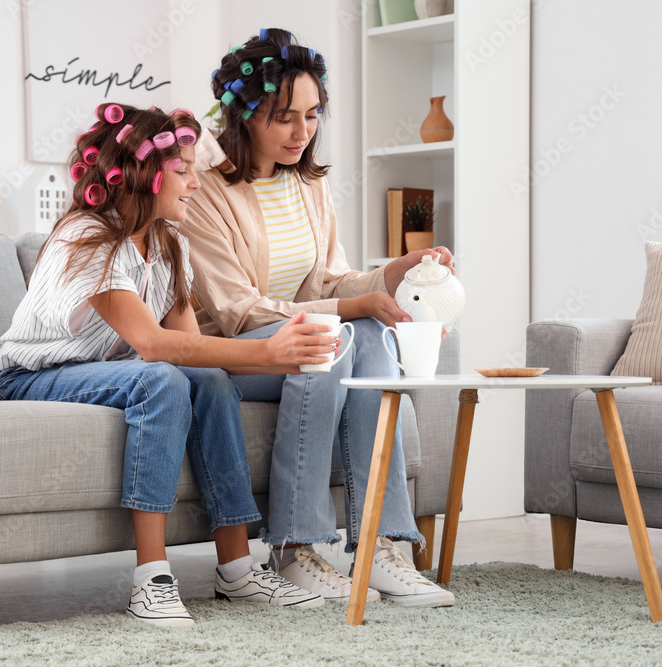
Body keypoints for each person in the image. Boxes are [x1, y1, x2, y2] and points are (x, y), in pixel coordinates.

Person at [0, 104, 334, 627]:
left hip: (109, 374)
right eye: (184, 170)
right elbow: (152, 346)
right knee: (162, 380)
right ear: (145, 174)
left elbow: (193, 349)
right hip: (30, 376)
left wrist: (280, 357)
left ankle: (237, 568)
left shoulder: (169, 245)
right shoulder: (86, 238)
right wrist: (267, 352)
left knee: (209, 381)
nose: (196, 183)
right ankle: (151, 579)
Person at [182, 29, 456, 608]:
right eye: (284, 118)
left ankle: (382, 544)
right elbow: (236, 310)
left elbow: (330, 282)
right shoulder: (203, 191)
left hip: (304, 338)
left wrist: (394, 274)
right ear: (245, 114)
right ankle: (294, 545)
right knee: (331, 337)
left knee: (371, 333)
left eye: (311, 116)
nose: (301, 132)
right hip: (236, 354)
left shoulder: (309, 183)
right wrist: (345, 309)